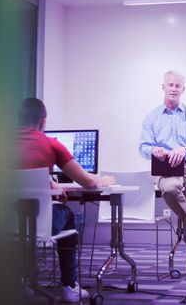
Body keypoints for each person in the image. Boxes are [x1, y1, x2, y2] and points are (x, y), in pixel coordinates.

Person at [16, 97, 114, 302]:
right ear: (43, 122)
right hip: (40, 224)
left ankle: (21, 280)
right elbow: (87, 182)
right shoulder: (51, 145)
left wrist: (48, 183)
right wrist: (102, 180)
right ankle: (69, 286)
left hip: (2, 223)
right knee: (69, 215)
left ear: (18, 119)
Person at [139, 70, 186, 278]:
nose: (173, 89)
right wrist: (153, 149)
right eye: (170, 85)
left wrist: (184, 149)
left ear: (183, 89)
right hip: (165, 169)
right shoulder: (152, 117)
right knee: (171, 189)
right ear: (163, 87)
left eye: (177, 86)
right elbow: (143, 146)